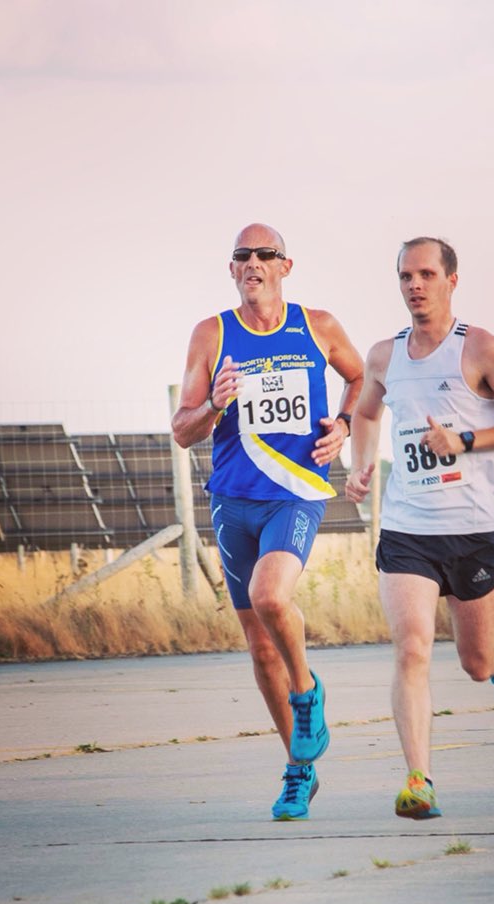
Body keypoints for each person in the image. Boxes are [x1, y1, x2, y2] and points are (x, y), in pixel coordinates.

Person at [344, 236, 494, 819]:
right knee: (411, 648)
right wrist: (359, 467)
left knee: (475, 660)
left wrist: (465, 440)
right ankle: (419, 780)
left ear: (451, 280)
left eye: (427, 274)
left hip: (474, 532)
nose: (415, 285)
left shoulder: (479, 348)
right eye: (406, 275)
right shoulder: (385, 355)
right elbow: (364, 411)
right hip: (407, 530)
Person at [172, 223, 364, 821]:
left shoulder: (318, 326)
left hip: (297, 492)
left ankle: (307, 692)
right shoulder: (212, 334)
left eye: (265, 254)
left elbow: (361, 377)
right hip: (234, 500)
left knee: (271, 597)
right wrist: (213, 406)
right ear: (232, 269)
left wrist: (346, 424)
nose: (253, 262)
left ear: (286, 265)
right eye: (242, 255)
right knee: (259, 649)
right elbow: (182, 430)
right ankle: (299, 770)